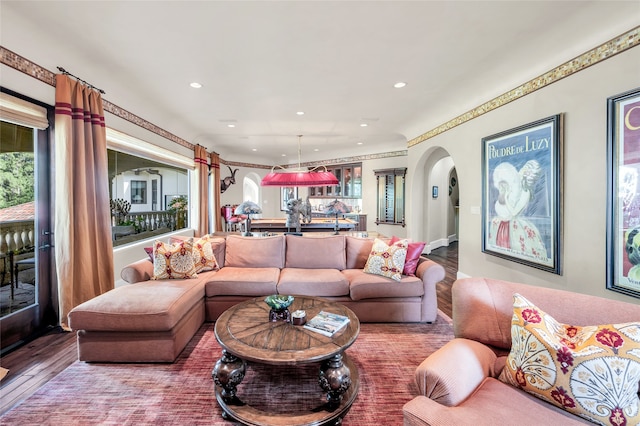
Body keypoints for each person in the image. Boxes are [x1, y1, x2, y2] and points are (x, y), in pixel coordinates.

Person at [489, 160, 548, 260]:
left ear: (530, 175)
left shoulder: (526, 192)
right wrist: (503, 194)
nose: (524, 170)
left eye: (528, 170)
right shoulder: (512, 186)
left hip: (515, 225)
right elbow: (501, 204)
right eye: (526, 167)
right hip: (503, 221)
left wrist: (506, 196)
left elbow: (513, 213)